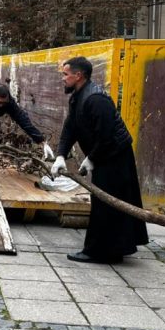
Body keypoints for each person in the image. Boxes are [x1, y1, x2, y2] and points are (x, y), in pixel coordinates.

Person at [50, 56, 149, 264]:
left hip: (115, 157)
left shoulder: (96, 99)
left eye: (65, 74)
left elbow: (106, 135)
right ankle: (113, 249)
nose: (62, 79)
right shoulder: (78, 96)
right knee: (105, 202)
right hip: (104, 155)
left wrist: (91, 158)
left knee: (106, 203)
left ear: (78, 76)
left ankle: (99, 252)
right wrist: (60, 155)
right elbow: (70, 127)